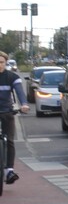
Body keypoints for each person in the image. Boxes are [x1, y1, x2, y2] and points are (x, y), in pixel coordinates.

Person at [0, 51, 30, 183]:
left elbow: (19, 92)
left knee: (10, 140)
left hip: (7, 111)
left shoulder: (12, 77)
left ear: (6, 63)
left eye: (1, 62)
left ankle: (9, 171)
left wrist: (24, 104)